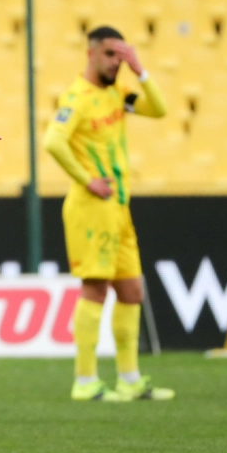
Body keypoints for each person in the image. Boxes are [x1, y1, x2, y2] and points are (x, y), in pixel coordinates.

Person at [43, 25, 172, 403]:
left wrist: (141, 69)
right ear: (92, 54)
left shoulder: (118, 92)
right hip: (91, 208)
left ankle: (129, 379)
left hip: (118, 208)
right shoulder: (77, 98)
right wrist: (86, 180)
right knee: (95, 289)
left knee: (132, 291)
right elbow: (53, 141)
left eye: (121, 55)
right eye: (112, 55)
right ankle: (85, 380)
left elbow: (160, 110)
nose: (118, 62)